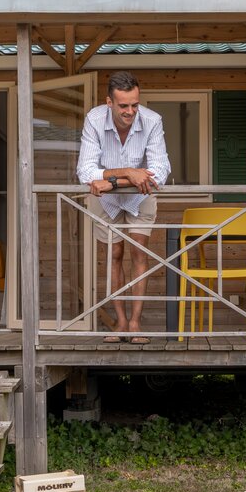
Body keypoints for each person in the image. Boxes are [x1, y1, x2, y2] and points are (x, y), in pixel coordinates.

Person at [75, 71, 171, 344]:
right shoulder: (94, 120)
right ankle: (119, 322)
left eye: (135, 105)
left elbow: (160, 170)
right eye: (123, 106)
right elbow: (85, 170)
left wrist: (111, 180)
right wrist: (128, 174)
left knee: (139, 253)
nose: (130, 111)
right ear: (109, 102)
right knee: (114, 254)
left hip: (140, 196)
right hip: (105, 198)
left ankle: (136, 323)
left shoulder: (152, 121)